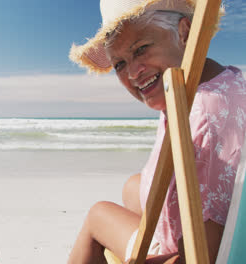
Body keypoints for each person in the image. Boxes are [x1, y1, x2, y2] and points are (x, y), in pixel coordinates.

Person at [66, 0, 246, 263]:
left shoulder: (201, 115)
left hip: (205, 249)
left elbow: (202, 255)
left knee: (98, 215)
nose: (133, 73)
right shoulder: (221, 82)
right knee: (132, 187)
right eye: (119, 65)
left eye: (141, 49)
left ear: (184, 33)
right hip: (217, 219)